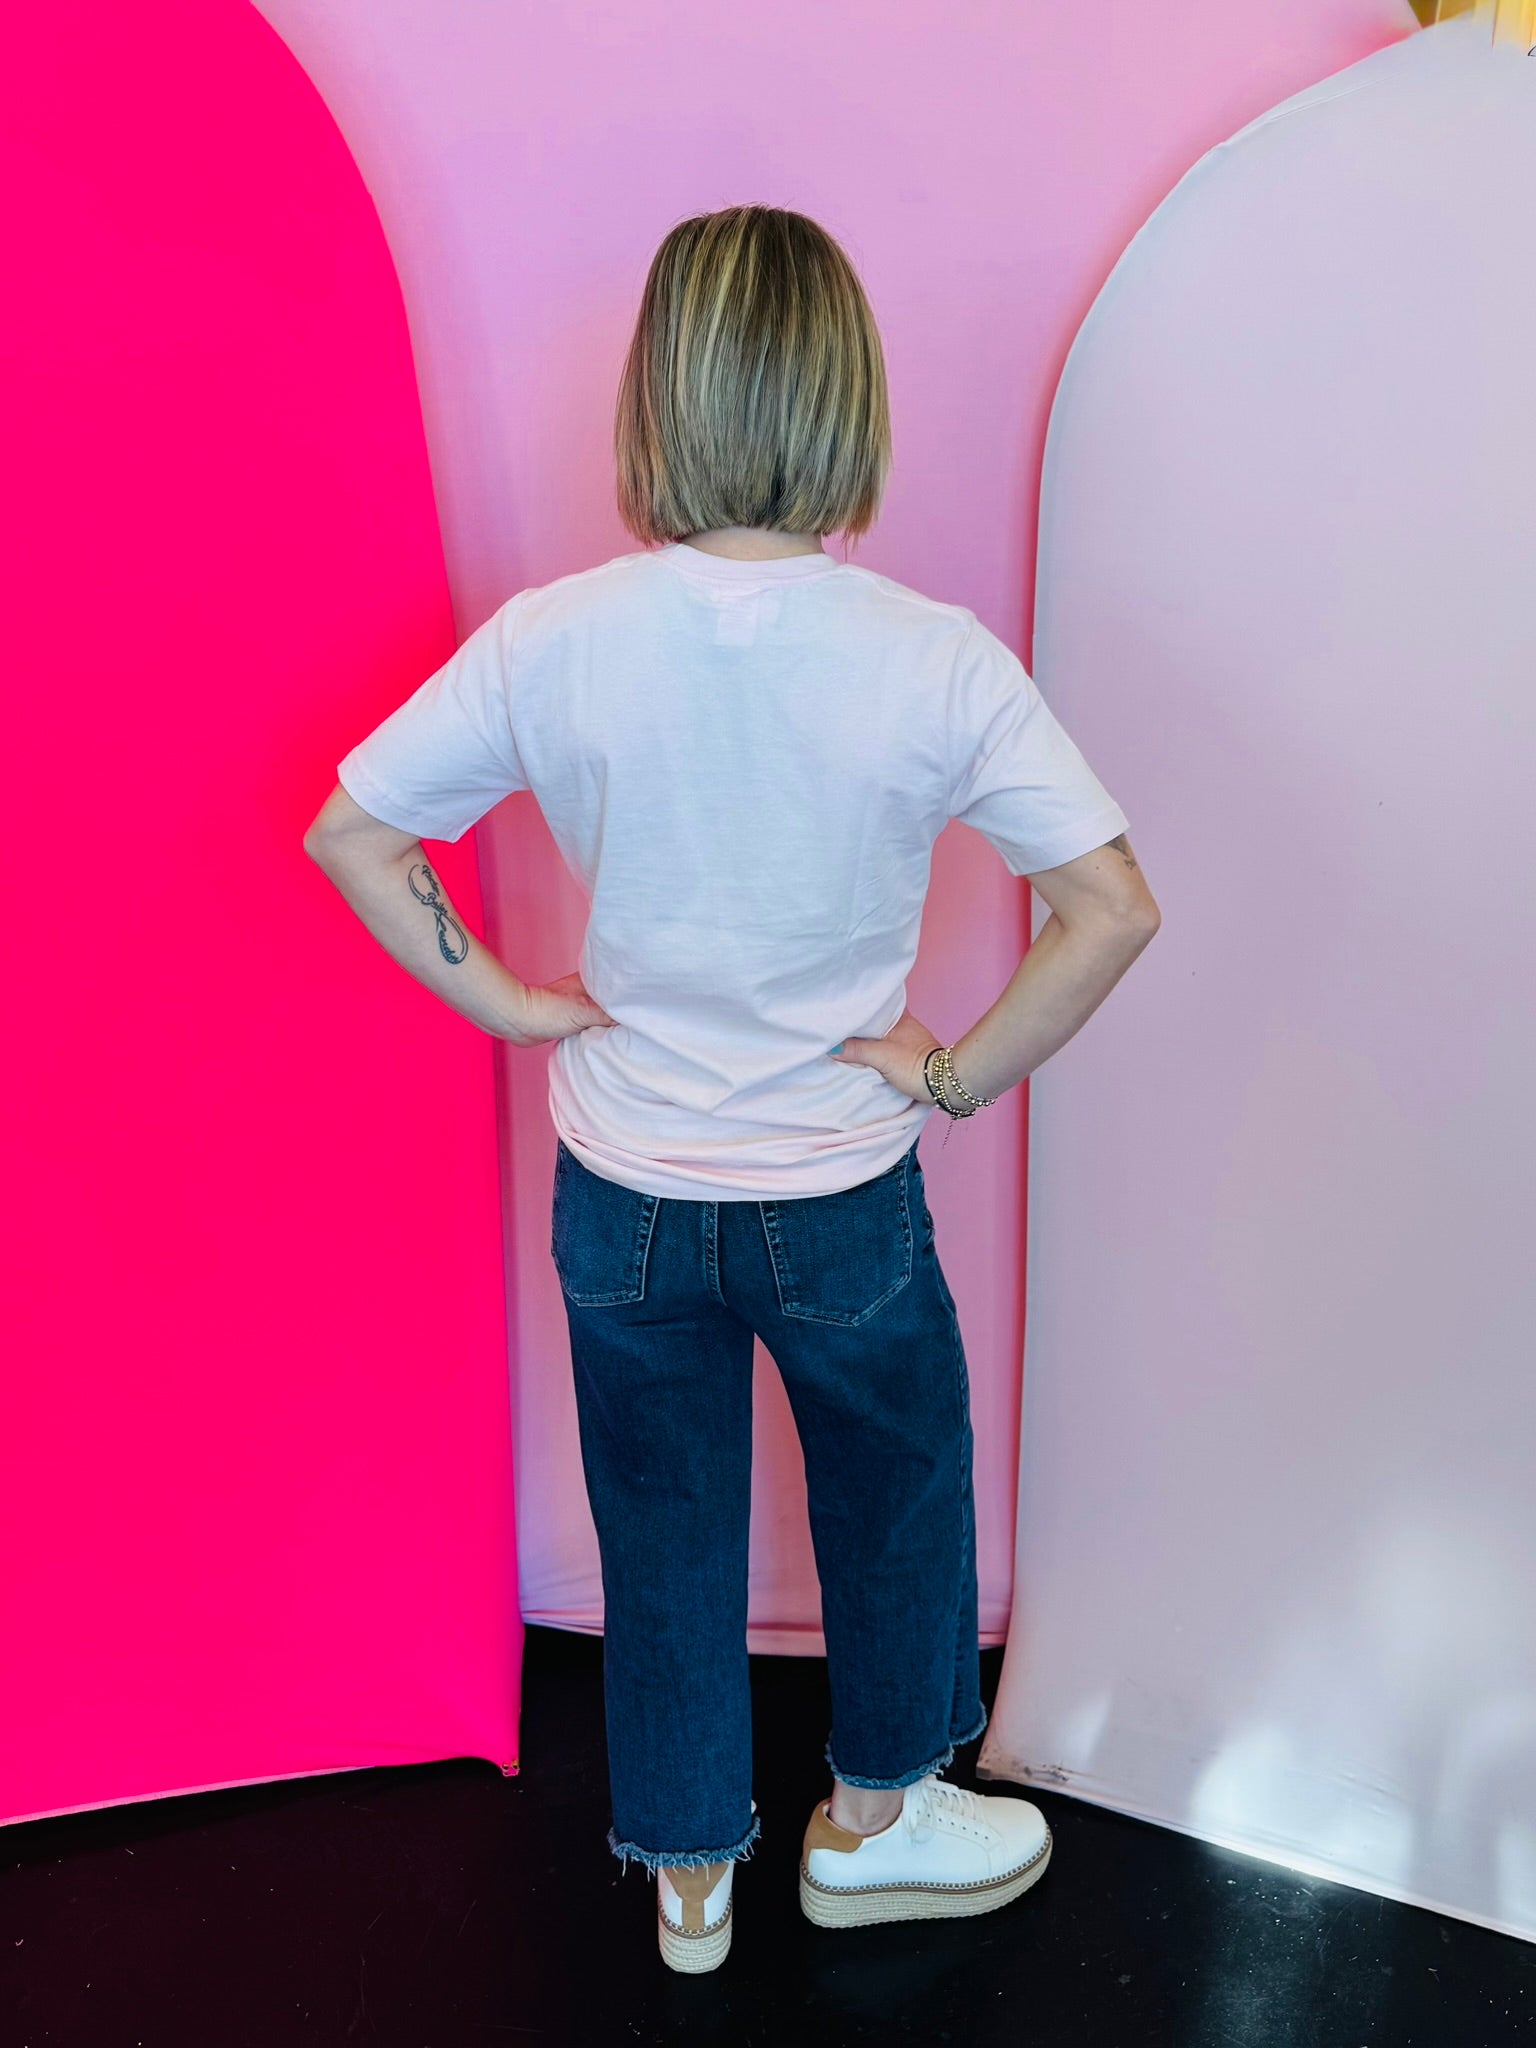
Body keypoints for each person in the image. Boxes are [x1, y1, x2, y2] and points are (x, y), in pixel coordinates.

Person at [303, 203, 1161, 1975]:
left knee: (662, 1521)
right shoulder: (930, 657)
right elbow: (1111, 909)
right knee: (898, 1492)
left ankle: (690, 1876)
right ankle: (877, 1826)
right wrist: (954, 1073)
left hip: (624, 1183)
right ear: (848, 398)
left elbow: (357, 834)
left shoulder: (557, 639)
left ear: (656, 399)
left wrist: (518, 1005)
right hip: (839, 1188)